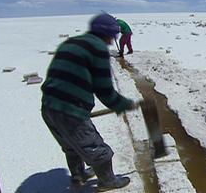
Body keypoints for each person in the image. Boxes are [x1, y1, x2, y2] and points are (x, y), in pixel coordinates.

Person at [41, 13, 139, 192]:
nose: (111, 42)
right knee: (96, 148)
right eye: (112, 37)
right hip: (70, 109)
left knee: (70, 145)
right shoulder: (98, 49)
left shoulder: (71, 43)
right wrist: (123, 104)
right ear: (106, 34)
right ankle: (107, 181)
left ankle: (78, 175)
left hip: (48, 105)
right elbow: (104, 90)